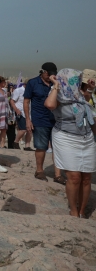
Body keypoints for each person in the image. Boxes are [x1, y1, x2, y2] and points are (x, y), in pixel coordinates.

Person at [45, 69, 96, 218]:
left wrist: (90, 89)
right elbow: (49, 105)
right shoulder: (59, 95)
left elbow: (90, 107)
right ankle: (73, 210)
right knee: (74, 177)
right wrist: (55, 85)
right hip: (66, 138)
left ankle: (82, 211)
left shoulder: (80, 95)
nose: (77, 82)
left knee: (86, 178)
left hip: (86, 138)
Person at [25, 62, 65, 184]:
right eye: (48, 74)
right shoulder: (33, 83)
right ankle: (39, 170)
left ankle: (58, 175)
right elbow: (26, 102)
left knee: (57, 148)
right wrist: (28, 119)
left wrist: (55, 85)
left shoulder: (57, 83)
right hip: (40, 119)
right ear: (43, 72)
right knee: (41, 146)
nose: (50, 77)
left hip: (56, 120)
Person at [11, 83, 31, 150]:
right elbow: (12, 101)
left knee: (29, 130)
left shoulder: (31, 90)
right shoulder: (18, 90)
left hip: (30, 112)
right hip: (20, 112)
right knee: (23, 129)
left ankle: (27, 146)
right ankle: (15, 142)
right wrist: (16, 110)